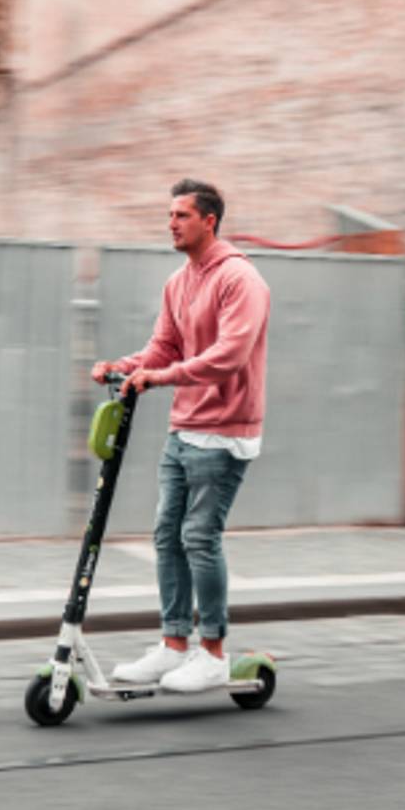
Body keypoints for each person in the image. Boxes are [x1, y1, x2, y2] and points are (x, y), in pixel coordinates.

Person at [91, 178, 271, 692]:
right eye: (169, 215)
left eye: (181, 215)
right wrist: (123, 367)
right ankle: (174, 646)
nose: (171, 223)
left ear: (209, 221)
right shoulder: (179, 282)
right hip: (185, 427)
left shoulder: (241, 280)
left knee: (199, 535)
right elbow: (163, 347)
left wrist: (161, 378)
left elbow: (229, 356)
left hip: (225, 429)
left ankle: (212, 651)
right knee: (166, 535)